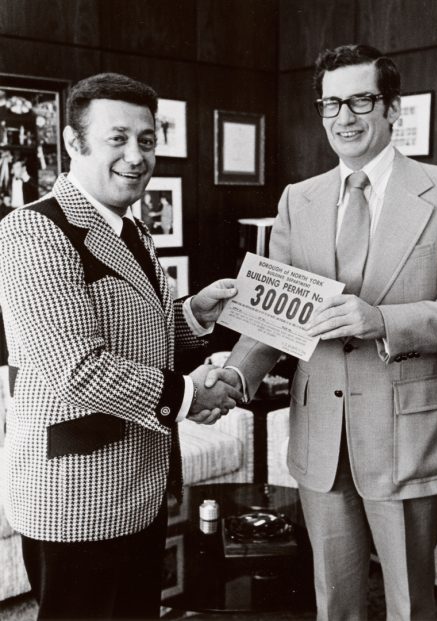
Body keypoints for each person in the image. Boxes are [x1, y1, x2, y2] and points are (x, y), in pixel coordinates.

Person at [206, 45, 437, 620]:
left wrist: (384, 320)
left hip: (407, 435)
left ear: (392, 109)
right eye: (330, 103)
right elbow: (277, 317)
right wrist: (235, 376)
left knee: (409, 603)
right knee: (332, 598)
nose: (344, 116)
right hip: (319, 433)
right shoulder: (299, 198)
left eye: (360, 100)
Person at [0, 72, 241, 620]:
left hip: (139, 486)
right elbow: (76, 368)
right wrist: (187, 397)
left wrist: (192, 315)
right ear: (73, 142)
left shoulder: (130, 229)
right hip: (76, 497)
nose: (136, 156)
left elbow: (140, 337)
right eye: (118, 139)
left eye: (147, 140)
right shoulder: (32, 231)